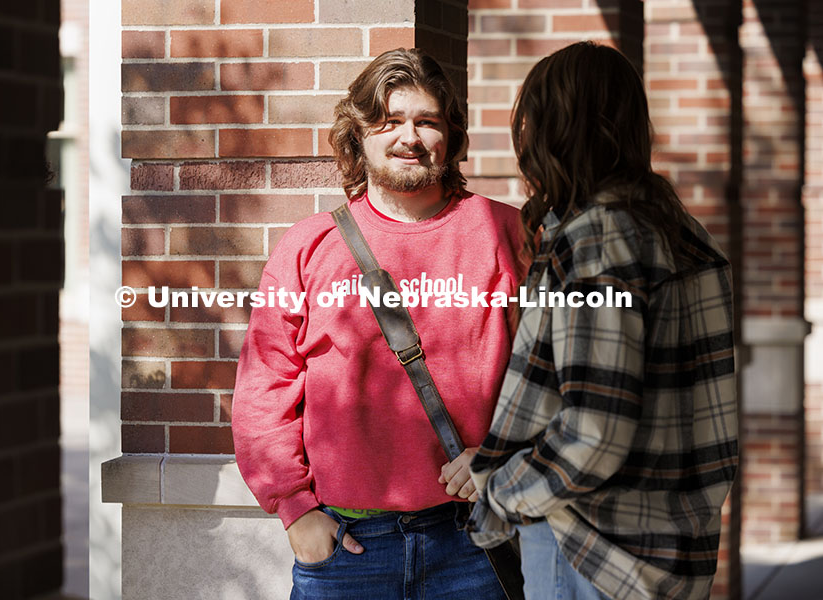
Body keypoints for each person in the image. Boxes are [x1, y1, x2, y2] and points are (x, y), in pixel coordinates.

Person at [232, 48, 526, 599]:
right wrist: (296, 512)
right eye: (388, 122)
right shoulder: (309, 246)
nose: (409, 137)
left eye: (427, 122)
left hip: (476, 542)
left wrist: (505, 456)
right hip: (348, 549)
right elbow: (264, 387)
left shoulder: (505, 234)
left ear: (451, 135)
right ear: (357, 136)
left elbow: (556, 373)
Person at [466, 41, 739, 600]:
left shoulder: (598, 241)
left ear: (555, 131)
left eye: (529, 121)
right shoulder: (681, 232)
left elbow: (594, 430)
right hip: (670, 548)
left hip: (593, 551)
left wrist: (502, 493)